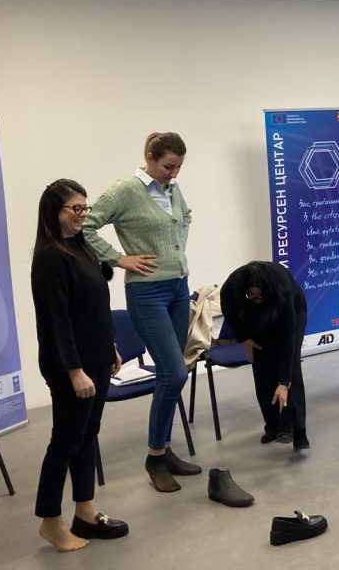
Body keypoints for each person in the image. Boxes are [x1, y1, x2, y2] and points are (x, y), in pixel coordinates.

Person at [82, 132, 199, 493]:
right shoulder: (125, 190)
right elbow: (85, 225)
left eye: (178, 167)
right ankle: (154, 457)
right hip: (147, 293)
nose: (173, 173)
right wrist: (119, 258)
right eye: (168, 166)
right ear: (149, 156)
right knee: (174, 373)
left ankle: (164, 449)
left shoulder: (172, 188)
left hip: (179, 288)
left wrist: (175, 250)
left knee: (172, 374)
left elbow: (185, 216)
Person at [32, 179, 127, 551]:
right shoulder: (50, 258)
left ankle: (85, 512)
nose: (82, 215)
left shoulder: (81, 246)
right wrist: (74, 371)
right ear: (53, 212)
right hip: (71, 367)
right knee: (66, 441)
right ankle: (49, 521)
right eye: (75, 209)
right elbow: (57, 321)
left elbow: (94, 308)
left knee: (88, 435)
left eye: (85, 208)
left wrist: (110, 347)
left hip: (97, 358)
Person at [221, 261, 309, 451]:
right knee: (261, 365)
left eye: (260, 296)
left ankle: (298, 431)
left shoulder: (282, 290)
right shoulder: (232, 288)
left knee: (290, 365)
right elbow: (229, 312)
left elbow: (287, 339)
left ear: (268, 291)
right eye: (252, 296)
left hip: (293, 311)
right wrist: (244, 338)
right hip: (256, 316)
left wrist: (284, 382)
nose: (257, 299)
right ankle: (273, 426)